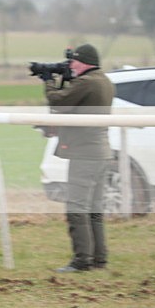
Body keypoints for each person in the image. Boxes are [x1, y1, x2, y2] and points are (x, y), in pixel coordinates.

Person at [43, 43, 115, 272]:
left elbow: (58, 101)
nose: (71, 65)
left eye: (73, 61)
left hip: (85, 155)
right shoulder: (104, 81)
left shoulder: (87, 82)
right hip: (101, 152)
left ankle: (82, 260)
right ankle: (99, 259)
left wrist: (48, 81)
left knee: (76, 208)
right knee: (94, 210)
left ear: (84, 62)